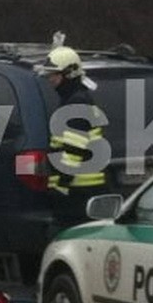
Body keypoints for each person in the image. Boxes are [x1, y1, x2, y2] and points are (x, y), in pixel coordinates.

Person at [34, 46, 109, 230]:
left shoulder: (77, 104)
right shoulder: (75, 100)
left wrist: (60, 188)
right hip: (80, 193)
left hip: (78, 195)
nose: (50, 79)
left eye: (55, 75)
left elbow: (73, 152)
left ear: (69, 74)